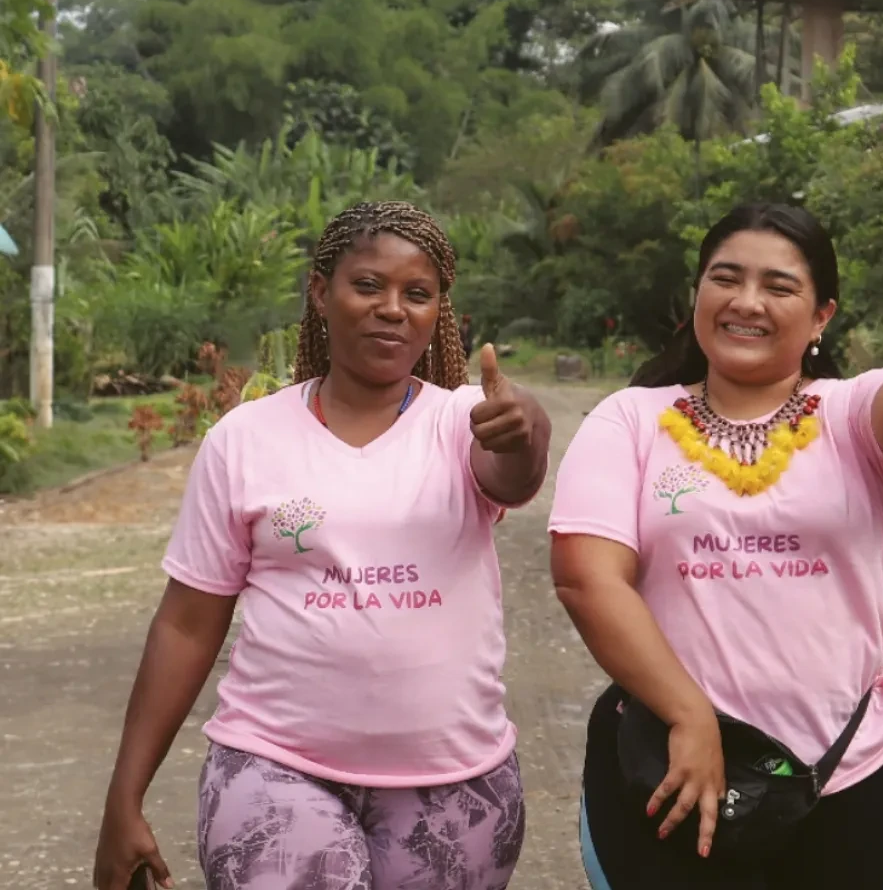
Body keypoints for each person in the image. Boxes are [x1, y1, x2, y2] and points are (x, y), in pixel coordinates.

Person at [547, 203, 883, 889]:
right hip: (666, 766)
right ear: (697, 295)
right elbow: (586, 578)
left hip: (844, 774)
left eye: (778, 287)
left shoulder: (854, 416)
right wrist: (690, 715)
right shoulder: (630, 420)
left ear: (821, 317)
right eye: (725, 278)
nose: (747, 302)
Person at [93, 201, 551, 890]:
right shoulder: (244, 440)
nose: (392, 308)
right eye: (367, 285)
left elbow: (514, 477)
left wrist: (528, 431)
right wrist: (123, 797)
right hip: (274, 766)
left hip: (455, 782)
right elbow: (187, 625)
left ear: (438, 313)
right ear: (320, 292)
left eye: (417, 294)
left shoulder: (464, 424)